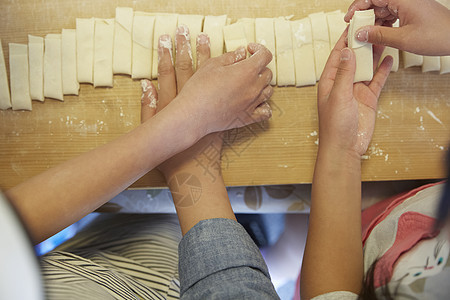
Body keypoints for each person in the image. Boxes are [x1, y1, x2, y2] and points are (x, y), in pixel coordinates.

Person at [2, 26, 279, 299]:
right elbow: (232, 290)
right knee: (165, 233)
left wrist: (181, 123)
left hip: (94, 267)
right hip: (166, 272)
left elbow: (8, 230)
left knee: (158, 229)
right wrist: (188, 141)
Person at [299, 0, 450, 299]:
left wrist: (341, 149)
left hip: (354, 250)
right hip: (398, 211)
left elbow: (330, 292)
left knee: (290, 245)